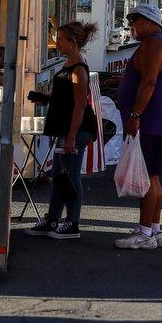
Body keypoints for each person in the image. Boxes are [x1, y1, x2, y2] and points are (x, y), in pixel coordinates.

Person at [24, 21, 100, 240]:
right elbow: (69, 99)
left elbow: (80, 105)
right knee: (59, 175)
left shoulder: (78, 69)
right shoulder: (70, 65)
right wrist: (48, 98)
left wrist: (72, 137)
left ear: (72, 43)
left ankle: (72, 222)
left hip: (76, 130)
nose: (56, 44)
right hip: (68, 129)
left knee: (70, 176)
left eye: (60, 40)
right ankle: (52, 218)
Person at [114, 4, 162, 250]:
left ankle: (145, 234)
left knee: (147, 179)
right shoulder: (161, 43)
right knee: (153, 177)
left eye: (134, 19)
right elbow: (151, 77)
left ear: (148, 20)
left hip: (150, 121)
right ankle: (154, 229)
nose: (130, 23)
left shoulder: (154, 42)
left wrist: (134, 114)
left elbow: (151, 81)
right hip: (159, 119)